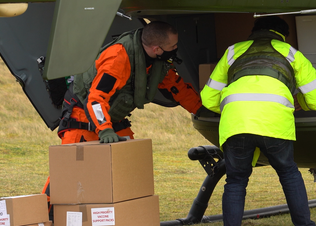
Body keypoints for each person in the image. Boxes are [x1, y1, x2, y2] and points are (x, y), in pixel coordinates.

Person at [42, 21, 215, 202]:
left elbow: (174, 85)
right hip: (84, 118)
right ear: (157, 49)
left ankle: (126, 218)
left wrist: (200, 110)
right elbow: (96, 99)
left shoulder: (156, 60)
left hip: (113, 118)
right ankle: (40, 220)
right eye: (173, 46)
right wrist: (105, 129)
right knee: (65, 176)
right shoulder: (117, 59)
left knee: (130, 169)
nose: (176, 49)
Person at [201, 16, 316, 226]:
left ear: (254, 32)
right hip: (275, 123)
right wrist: (299, 101)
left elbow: (208, 98)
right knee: (289, 174)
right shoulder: (290, 53)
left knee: (236, 181)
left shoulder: (232, 52)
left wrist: (235, 107)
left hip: (236, 123)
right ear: (283, 35)